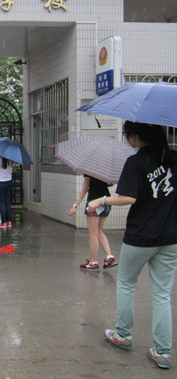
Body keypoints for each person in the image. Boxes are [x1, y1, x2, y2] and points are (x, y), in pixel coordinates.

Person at [88, 121, 177, 370]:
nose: (128, 141)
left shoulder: (136, 162)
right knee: (162, 294)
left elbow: (128, 197)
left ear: (136, 137)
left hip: (141, 237)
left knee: (127, 284)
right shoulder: (173, 159)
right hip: (170, 238)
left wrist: (100, 200)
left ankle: (123, 334)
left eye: (127, 136)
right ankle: (162, 352)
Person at [69, 174, 117, 271]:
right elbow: (111, 183)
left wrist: (75, 206)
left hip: (94, 202)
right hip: (106, 201)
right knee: (99, 231)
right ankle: (109, 256)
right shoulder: (104, 169)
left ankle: (93, 262)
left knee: (93, 234)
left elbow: (85, 189)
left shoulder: (89, 171)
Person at [0, 154, 16, 228]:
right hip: (9, 181)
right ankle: (9, 221)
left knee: (1, 202)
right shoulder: (11, 159)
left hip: (0, 182)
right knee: (7, 202)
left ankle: (3, 222)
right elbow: (14, 170)